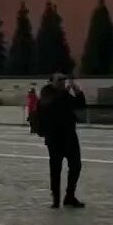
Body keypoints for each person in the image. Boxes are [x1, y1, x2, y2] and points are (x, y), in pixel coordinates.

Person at [36, 74, 86, 208]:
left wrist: (78, 92)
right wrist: (65, 92)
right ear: (51, 82)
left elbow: (79, 105)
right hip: (54, 137)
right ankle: (56, 199)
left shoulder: (63, 94)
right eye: (59, 80)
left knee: (76, 165)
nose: (62, 83)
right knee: (56, 168)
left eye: (64, 80)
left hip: (69, 135)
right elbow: (51, 103)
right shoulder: (47, 93)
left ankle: (70, 196)